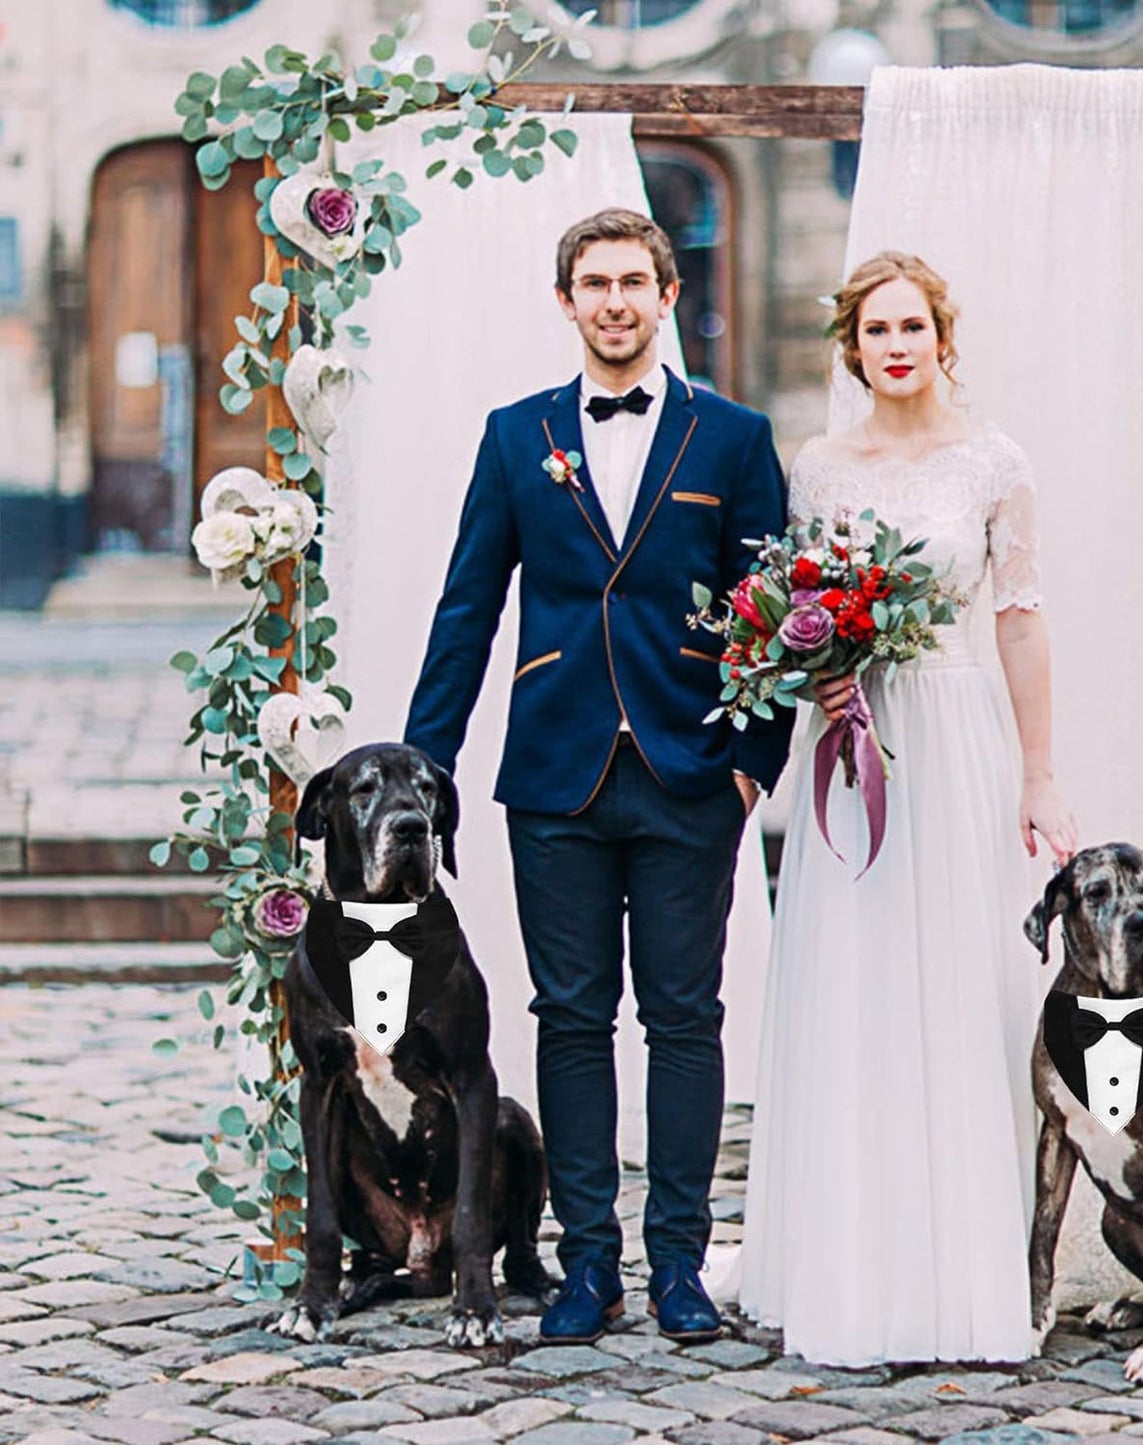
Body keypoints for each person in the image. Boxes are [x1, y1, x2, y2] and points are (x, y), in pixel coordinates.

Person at [405, 208, 794, 1345]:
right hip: (556, 779)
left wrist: (749, 769)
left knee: (684, 1018)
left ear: (668, 296)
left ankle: (676, 1260)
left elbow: (769, 614)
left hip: (687, 775)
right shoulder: (516, 434)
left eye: (634, 281)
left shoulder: (730, 437)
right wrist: (429, 770)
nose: (614, 301)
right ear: (566, 301)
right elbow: (467, 607)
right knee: (569, 1020)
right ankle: (588, 1266)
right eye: (594, 283)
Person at [739, 251, 1078, 1366]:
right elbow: (789, 609)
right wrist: (816, 674)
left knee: (953, 984)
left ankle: (959, 1269)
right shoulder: (818, 466)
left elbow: (1018, 619)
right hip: (855, 740)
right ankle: (849, 1257)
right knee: (854, 982)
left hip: (956, 731)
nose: (894, 345)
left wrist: (1037, 771)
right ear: (852, 347)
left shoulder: (993, 463)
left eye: (911, 327)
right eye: (874, 330)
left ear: (941, 336)